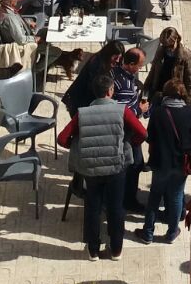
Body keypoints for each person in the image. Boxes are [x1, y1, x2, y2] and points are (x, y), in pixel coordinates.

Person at [57, 71, 147, 259]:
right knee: (116, 208)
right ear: (110, 91)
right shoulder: (122, 111)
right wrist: (128, 144)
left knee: (92, 208)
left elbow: (62, 138)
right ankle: (116, 250)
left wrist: (78, 146)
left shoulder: (82, 114)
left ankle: (93, 250)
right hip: (116, 168)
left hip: (91, 169)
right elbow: (142, 133)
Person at [138, 77, 191, 244]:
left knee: (155, 196)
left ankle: (148, 232)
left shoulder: (158, 112)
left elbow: (149, 137)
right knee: (177, 196)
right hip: (181, 162)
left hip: (160, 162)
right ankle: (172, 232)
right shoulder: (188, 111)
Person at [112, 46, 149, 211]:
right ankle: (129, 199)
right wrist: (140, 109)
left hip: (128, 130)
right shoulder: (125, 84)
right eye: (139, 66)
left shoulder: (117, 73)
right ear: (131, 64)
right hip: (128, 132)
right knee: (135, 164)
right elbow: (124, 113)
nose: (140, 69)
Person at [143, 27, 191, 106]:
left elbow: (190, 83)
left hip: (174, 96)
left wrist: (189, 105)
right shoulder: (160, 50)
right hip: (159, 91)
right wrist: (145, 90)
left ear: (177, 39)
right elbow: (153, 72)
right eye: (165, 46)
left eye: (170, 46)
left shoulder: (186, 55)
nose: (168, 49)